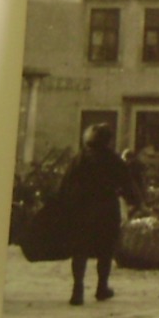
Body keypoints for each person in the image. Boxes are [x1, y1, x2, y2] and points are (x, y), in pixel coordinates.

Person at [59, 123, 141, 305]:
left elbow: (65, 185)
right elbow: (128, 185)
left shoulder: (79, 159)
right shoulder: (113, 160)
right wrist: (135, 201)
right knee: (105, 250)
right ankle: (101, 287)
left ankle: (77, 290)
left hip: (82, 209)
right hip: (106, 209)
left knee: (80, 251)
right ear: (108, 140)